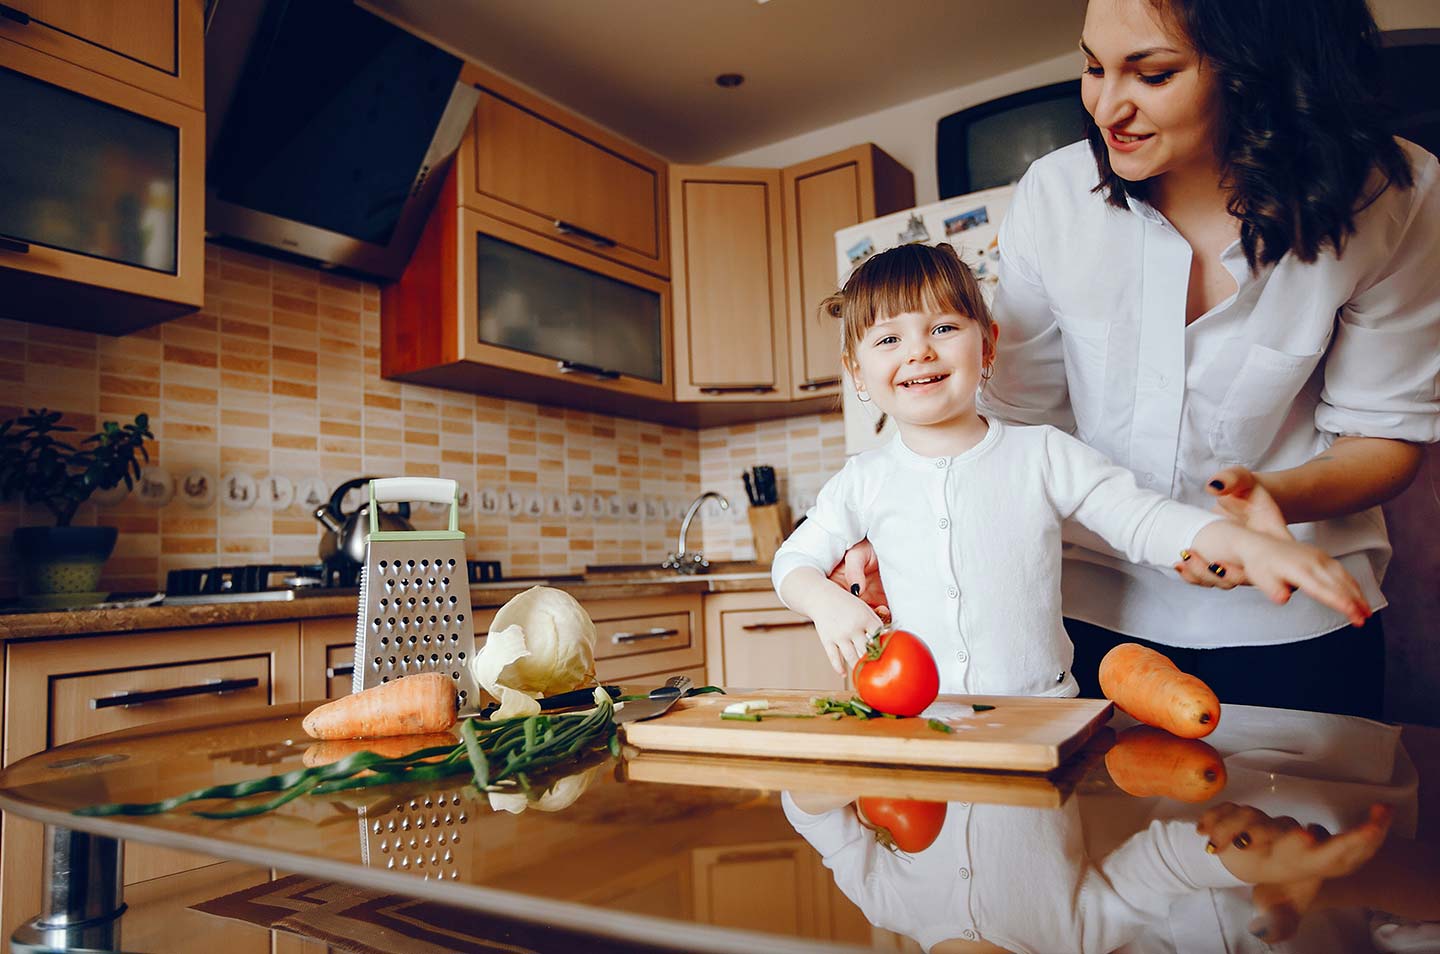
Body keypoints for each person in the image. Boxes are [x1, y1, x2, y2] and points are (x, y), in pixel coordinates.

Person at [837, 0, 1440, 717]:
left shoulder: (1393, 198)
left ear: (1263, 77)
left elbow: (1385, 435)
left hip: (1289, 603)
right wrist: (915, 525)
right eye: (1093, 67)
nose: (1104, 107)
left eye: (1151, 74)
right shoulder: (1055, 198)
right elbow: (1014, 424)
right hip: (1084, 607)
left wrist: (1272, 499)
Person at [774, 242, 1370, 695]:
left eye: (944, 327)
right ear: (856, 372)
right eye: (887, 341)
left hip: (1048, 718)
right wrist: (829, 603)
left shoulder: (1044, 453)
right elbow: (793, 562)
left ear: (987, 347)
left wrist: (1246, 545)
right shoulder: (862, 479)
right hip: (924, 724)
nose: (918, 352)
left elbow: (1143, 519)